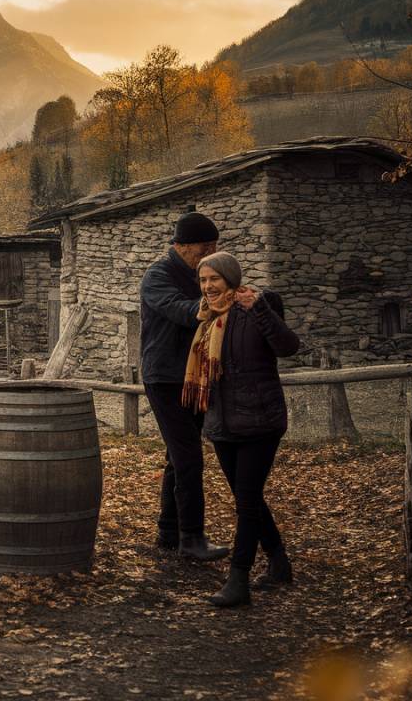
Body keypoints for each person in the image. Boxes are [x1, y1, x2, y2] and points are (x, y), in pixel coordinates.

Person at [181, 251, 300, 606]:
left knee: (246, 502)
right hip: (223, 423)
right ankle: (278, 562)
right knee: (247, 498)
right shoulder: (206, 320)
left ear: (230, 278)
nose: (207, 287)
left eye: (214, 279)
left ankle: (239, 579)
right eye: (203, 281)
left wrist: (260, 309)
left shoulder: (258, 306)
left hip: (260, 421)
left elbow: (288, 347)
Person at [139, 212, 229, 561]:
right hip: (163, 377)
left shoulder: (202, 275)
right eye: (203, 248)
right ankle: (191, 538)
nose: (208, 253)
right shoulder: (157, 276)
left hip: (194, 375)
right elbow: (180, 310)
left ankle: (168, 531)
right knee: (189, 457)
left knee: (178, 458)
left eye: (213, 248)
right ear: (181, 245)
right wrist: (219, 302)